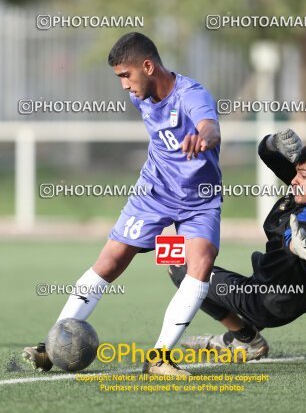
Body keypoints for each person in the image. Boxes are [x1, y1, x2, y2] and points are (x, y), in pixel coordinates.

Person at [22, 32, 222, 375]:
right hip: (154, 192)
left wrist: (202, 137)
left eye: (125, 75)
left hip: (198, 200)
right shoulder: (140, 96)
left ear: (148, 66)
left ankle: (159, 359)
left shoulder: (192, 94)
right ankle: (51, 348)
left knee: (201, 262)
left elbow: (211, 127)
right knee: (111, 260)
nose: (124, 86)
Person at [169, 129, 306, 361]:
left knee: (180, 267)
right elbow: (268, 154)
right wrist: (272, 142)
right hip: (292, 295)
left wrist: (295, 244)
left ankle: (247, 337)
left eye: (302, 174)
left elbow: (305, 229)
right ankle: (233, 339)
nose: (293, 179)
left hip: (269, 299)